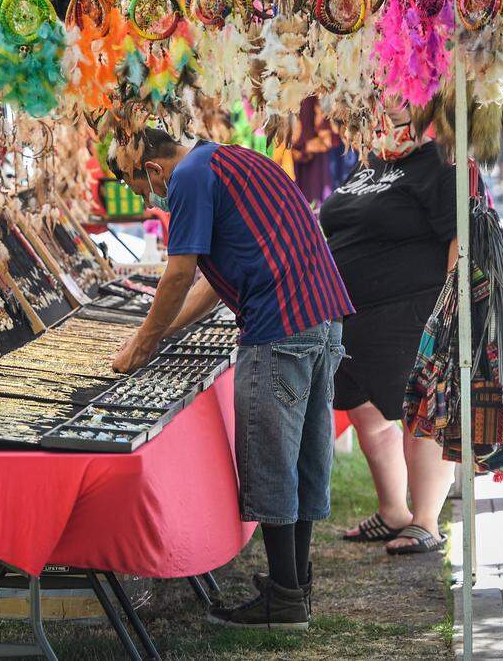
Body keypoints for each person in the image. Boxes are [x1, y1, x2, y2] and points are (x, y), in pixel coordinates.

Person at [108, 128, 353, 631]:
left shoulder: (188, 178)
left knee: (271, 460)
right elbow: (208, 285)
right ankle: (295, 584)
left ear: (152, 170)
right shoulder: (229, 159)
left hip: (280, 326)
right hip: (322, 318)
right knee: (303, 456)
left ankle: (285, 600)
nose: (151, 199)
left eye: (141, 188)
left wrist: (143, 343)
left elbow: (178, 274)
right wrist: (161, 330)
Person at [318, 109, 458, 556]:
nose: (386, 105)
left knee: (419, 417)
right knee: (366, 416)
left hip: (409, 313)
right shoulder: (373, 158)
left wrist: (451, 308)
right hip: (351, 317)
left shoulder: (440, 160)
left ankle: (426, 522)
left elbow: (460, 236)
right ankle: (393, 510)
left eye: (400, 94)